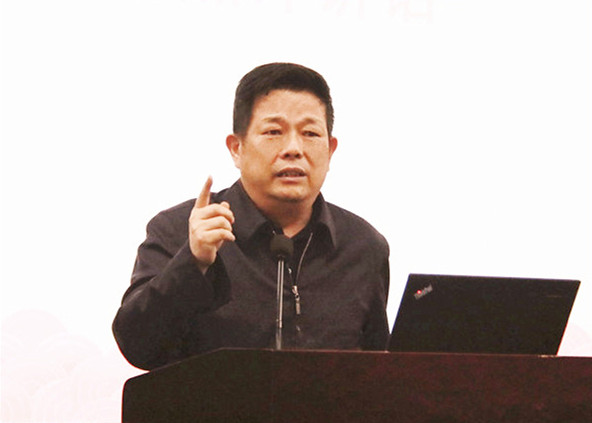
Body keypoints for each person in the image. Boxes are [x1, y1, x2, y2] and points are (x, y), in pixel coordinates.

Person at [112, 63, 390, 370]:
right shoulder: (181, 230)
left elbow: (378, 371)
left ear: (331, 150)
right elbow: (137, 346)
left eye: (310, 133)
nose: (293, 149)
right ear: (236, 148)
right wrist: (193, 262)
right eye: (274, 132)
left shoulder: (364, 247)